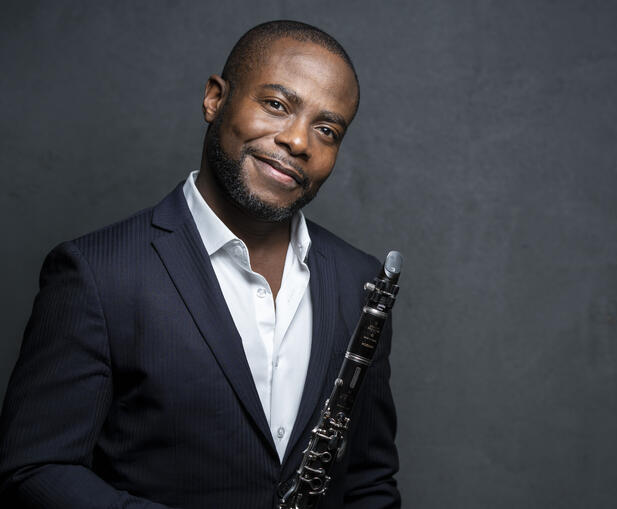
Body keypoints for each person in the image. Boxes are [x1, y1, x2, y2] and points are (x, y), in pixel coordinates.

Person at [0, 20, 400, 509]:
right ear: (215, 99)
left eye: (326, 129)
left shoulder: (360, 281)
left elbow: (368, 482)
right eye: (276, 105)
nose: (299, 142)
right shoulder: (96, 273)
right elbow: (36, 471)